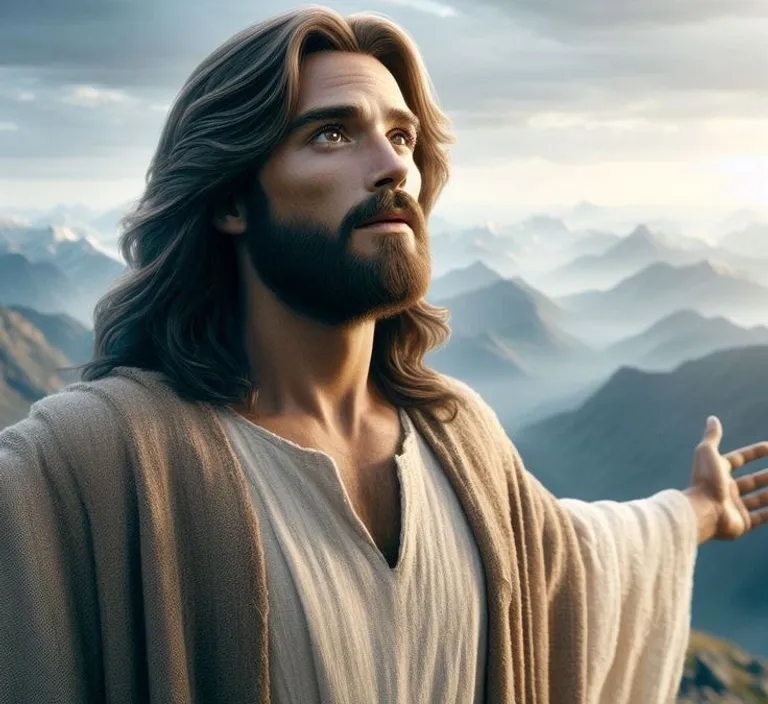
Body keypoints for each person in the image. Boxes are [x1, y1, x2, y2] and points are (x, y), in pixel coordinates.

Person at [1, 5, 766, 703]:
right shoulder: (105, 458)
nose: (393, 164)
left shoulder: (459, 436)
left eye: (400, 136)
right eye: (332, 133)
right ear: (231, 200)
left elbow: (568, 563)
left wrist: (696, 511)